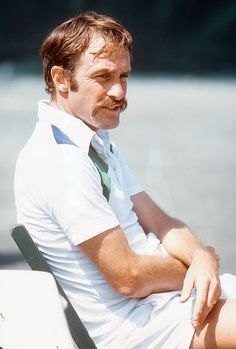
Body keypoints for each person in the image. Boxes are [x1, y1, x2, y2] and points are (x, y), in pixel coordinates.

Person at [14, 11, 236, 349]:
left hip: (162, 301)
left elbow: (161, 222)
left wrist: (202, 258)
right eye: (103, 76)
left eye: (124, 75)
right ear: (61, 78)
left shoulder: (94, 144)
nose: (118, 91)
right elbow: (128, 278)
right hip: (136, 327)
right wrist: (194, 270)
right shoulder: (59, 159)